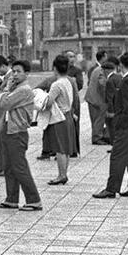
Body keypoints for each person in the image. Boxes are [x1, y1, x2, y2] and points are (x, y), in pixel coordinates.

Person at [93, 52, 128, 199]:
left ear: (121, 65)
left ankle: (111, 189)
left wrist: (122, 121)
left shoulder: (126, 82)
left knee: (117, 155)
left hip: (126, 125)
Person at [0, 59, 42, 211]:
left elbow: (4, 104)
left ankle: (34, 199)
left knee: (19, 167)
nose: (14, 74)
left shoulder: (24, 90)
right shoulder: (16, 88)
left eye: (18, 71)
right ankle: (11, 199)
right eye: (13, 71)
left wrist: (5, 90)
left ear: (26, 74)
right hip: (9, 130)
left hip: (17, 132)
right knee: (9, 166)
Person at [44, 55, 77, 185]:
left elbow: (49, 102)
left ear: (55, 68)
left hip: (59, 118)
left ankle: (61, 175)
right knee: (66, 147)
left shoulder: (56, 84)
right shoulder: (68, 81)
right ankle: (64, 173)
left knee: (60, 148)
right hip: (68, 115)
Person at [86, 50, 110, 145]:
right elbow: (102, 85)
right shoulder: (100, 70)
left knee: (95, 119)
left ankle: (97, 135)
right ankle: (97, 138)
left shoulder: (96, 69)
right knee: (99, 118)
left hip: (92, 98)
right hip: (96, 99)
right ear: (103, 57)